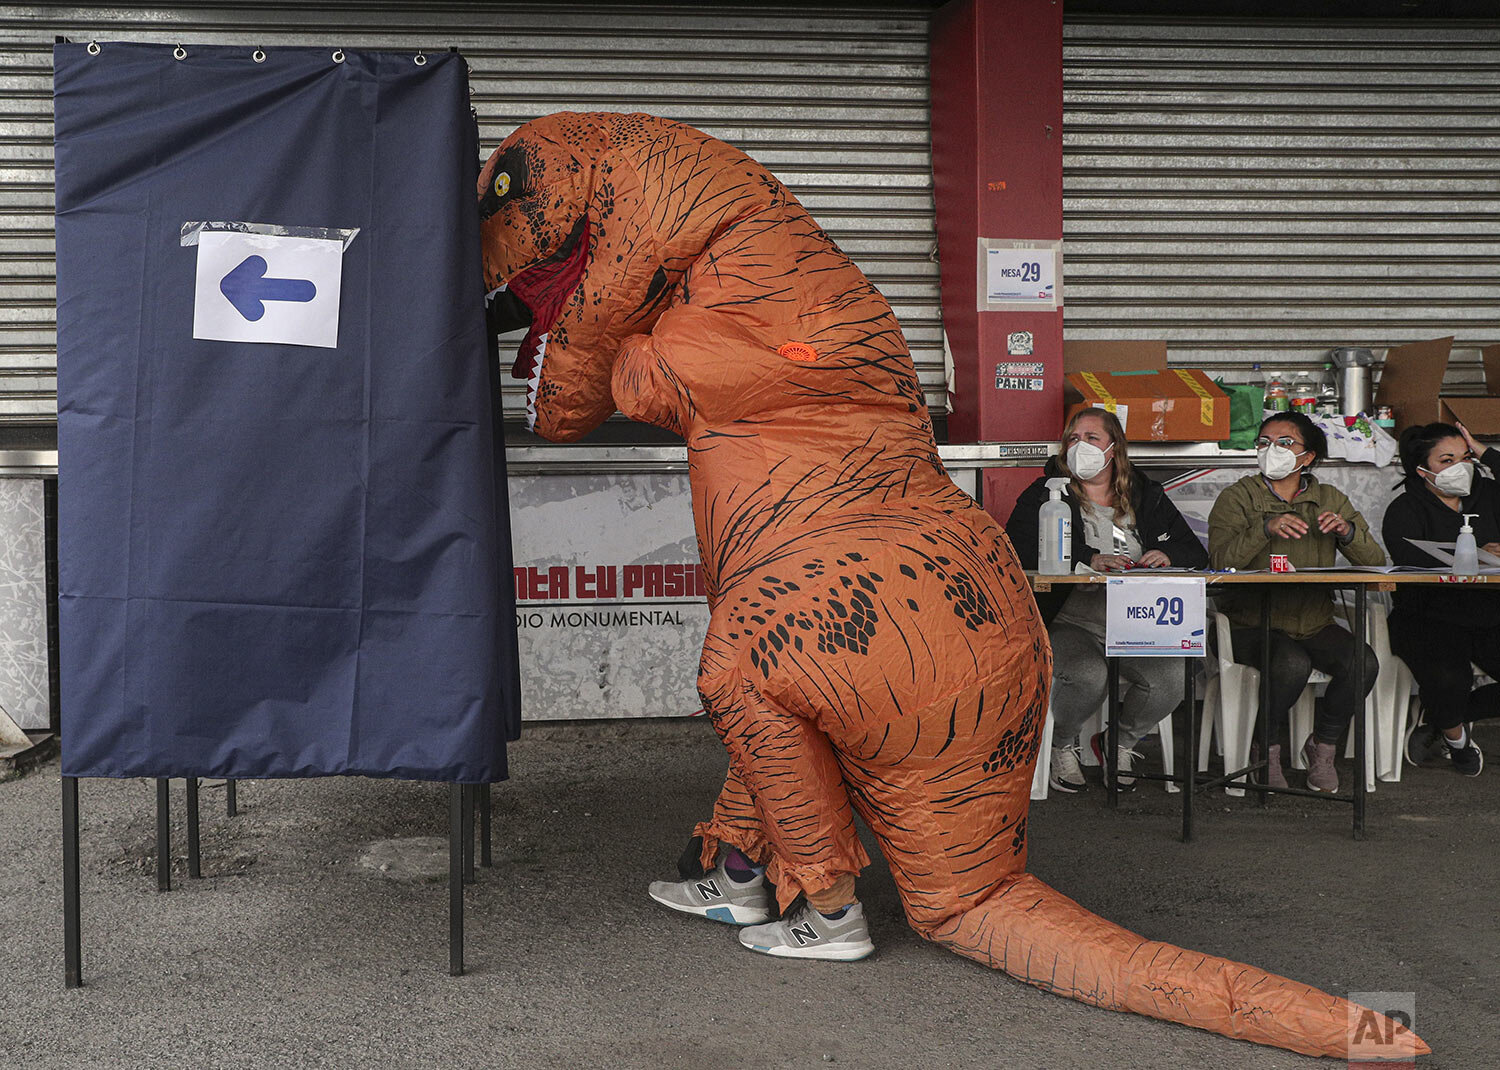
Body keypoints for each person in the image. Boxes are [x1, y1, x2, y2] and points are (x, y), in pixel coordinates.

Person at [1008, 408, 1208, 793]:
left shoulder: (1145, 494)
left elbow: (1194, 553)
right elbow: (1015, 547)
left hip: (1136, 623)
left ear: (1114, 448)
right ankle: (1064, 744)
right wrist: (1086, 559)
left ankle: (1120, 743)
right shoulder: (1045, 493)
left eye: (1091, 438)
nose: (1079, 445)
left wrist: (1167, 557)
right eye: (1072, 438)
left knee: (1173, 676)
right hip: (1069, 622)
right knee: (1087, 674)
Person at [1206, 411, 1383, 792]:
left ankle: (1323, 746)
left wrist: (1348, 532)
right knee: (1289, 661)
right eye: (1264, 442)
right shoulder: (1238, 497)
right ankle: (1264, 751)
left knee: (1363, 662)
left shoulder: (1329, 499)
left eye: (1285, 443)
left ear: (1309, 458)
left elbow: (1376, 564)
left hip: (1314, 621)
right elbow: (1219, 563)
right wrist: (1264, 529)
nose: (1272, 450)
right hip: (1249, 624)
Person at [1380, 420, 1494, 776]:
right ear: (1422, 470)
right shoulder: (1404, 510)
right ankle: (1457, 740)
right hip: (1427, 617)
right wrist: (1475, 553)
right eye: (1447, 460)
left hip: (1491, 615)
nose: (1460, 468)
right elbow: (1413, 565)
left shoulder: (1490, 495)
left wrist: (1486, 452)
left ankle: (1440, 717)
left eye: (1466, 458)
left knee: (1450, 695)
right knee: (1448, 679)